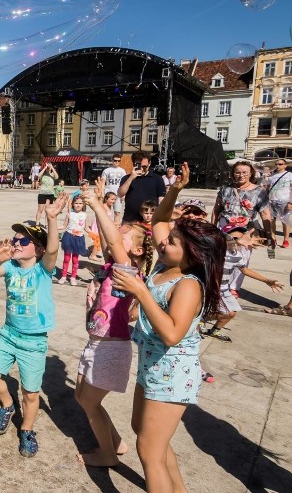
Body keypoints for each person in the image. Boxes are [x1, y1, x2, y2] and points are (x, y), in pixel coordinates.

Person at [110, 162, 225, 493]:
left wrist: (141, 293)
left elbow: (173, 333)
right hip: (153, 365)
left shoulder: (187, 284)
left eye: (172, 241)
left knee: (149, 451)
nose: (163, 241)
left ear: (192, 254)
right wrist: (174, 189)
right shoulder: (166, 263)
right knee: (144, 434)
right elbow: (159, 220)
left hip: (173, 370)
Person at [0, 193, 68, 457]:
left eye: (24, 240)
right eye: (16, 238)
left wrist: (52, 219)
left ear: (38, 249)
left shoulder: (43, 269)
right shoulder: (10, 268)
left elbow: (53, 250)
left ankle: (27, 430)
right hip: (8, 334)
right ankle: (7, 405)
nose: (16, 242)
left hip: (33, 340)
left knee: (31, 393)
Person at [75, 190, 154, 467]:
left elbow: (110, 238)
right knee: (80, 397)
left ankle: (107, 455)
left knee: (90, 403)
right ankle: (116, 443)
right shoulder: (111, 268)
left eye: (121, 236)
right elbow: (107, 237)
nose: (112, 238)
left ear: (136, 250)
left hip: (111, 348)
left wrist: (97, 205)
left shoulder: (128, 271)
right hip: (96, 343)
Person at [200, 225, 282, 342]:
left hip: (224, 289)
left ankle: (213, 328)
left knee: (231, 313)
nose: (236, 241)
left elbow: (244, 270)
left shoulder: (236, 255)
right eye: (232, 238)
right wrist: (235, 241)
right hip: (210, 288)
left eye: (240, 237)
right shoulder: (215, 251)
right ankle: (200, 320)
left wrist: (267, 281)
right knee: (224, 311)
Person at [212, 161, 272, 296]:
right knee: (222, 256)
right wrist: (213, 227)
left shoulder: (259, 192)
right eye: (237, 172)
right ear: (233, 173)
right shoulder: (225, 189)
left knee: (243, 258)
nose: (241, 175)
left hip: (247, 229)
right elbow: (217, 209)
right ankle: (220, 283)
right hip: (225, 228)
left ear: (251, 173)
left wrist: (269, 233)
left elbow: (265, 213)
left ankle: (234, 288)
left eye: (244, 172)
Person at [117, 151, 165, 224]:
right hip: (130, 220)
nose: (142, 169)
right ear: (134, 164)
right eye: (139, 166)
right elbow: (120, 194)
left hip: (150, 221)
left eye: (144, 166)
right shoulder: (127, 178)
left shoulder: (157, 179)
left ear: (149, 164)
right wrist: (131, 178)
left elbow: (161, 200)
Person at [58, 194, 89, 286]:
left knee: (75, 259)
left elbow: (87, 228)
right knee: (66, 258)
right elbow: (64, 226)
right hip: (68, 237)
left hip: (79, 238)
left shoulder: (85, 215)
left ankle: (73, 277)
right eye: (76, 203)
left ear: (83, 204)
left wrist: (95, 234)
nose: (78, 205)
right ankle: (63, 276)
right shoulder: (69, 214)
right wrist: (54, 227)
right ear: (73, 204)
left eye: (80, 203)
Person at [265, 158, 292, 248]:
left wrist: (290, 202)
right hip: (271, 200)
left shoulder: (289, 175)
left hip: (284, 200)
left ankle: (286, 240)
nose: (277, 165)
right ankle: (273, 238)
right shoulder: (272, 176)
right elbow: (267, 188)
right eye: (276, 164)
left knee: (285, 221)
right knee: (271, 220)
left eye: (280, 164)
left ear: (285, 165)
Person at [101, 155, 126, 225]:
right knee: (106, 212)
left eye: (118, 161)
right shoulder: (106, 170)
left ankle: (116, 228)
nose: (117, 162)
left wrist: (124, 194)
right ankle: (106, 226)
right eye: (115, 160)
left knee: (117, 212)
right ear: (112, 160)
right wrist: (102, 193)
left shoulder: (122, 171)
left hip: (118, 194)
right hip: (108, 193)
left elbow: (124, 183)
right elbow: (103, 182)